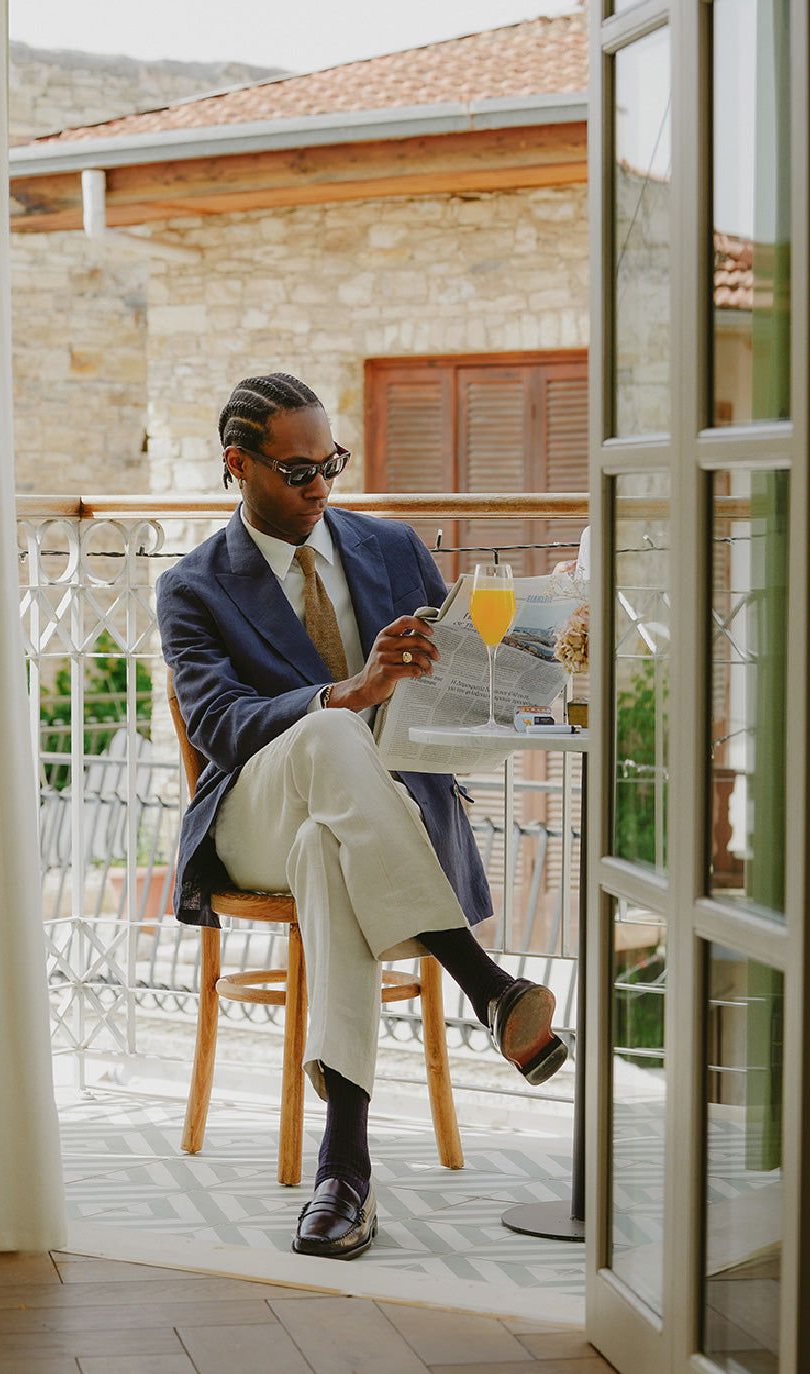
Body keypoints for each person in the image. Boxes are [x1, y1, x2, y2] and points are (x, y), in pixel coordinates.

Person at [157, 373, 567, 1260]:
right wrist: (350, 692)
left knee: (328, 848)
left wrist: (533, 661)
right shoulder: (193, 587)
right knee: (326, 732)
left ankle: (344, 1171)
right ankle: (484, 981)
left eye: (330, 465)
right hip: (253, 817)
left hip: (374, 822)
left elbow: (461, 678)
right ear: (239, 464)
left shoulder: (391, 547)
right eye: (297, 471)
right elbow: (218, 725)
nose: (320, 488)